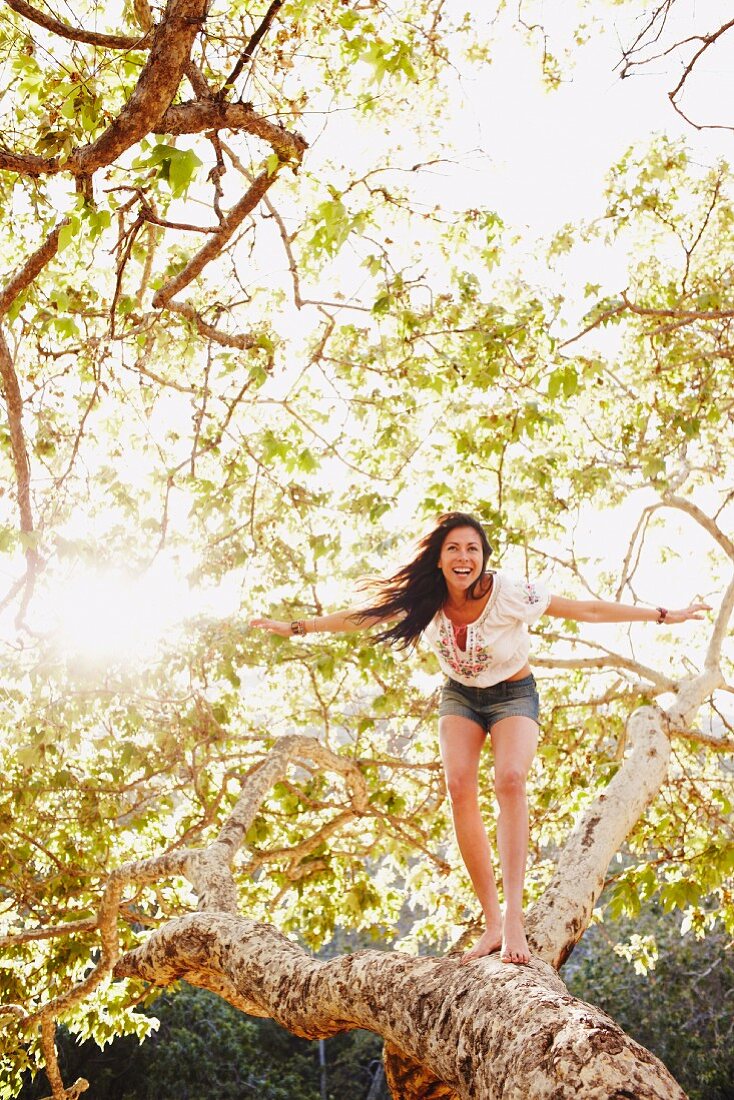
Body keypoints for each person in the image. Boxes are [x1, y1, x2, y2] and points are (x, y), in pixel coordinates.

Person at [250, 511, 710, 965]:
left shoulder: (510, 593)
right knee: (458, 787)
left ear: (484, 557)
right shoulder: (426, 598)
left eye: (473, 548)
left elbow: (585, 610)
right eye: (453, 548)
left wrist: (665, 614)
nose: (463, 556)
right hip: (460, 698)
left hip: (514, 694)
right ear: (439, 559)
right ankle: (492, 922)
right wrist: (297, 628)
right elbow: (364, 617)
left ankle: (514, 918)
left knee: (510, 780)